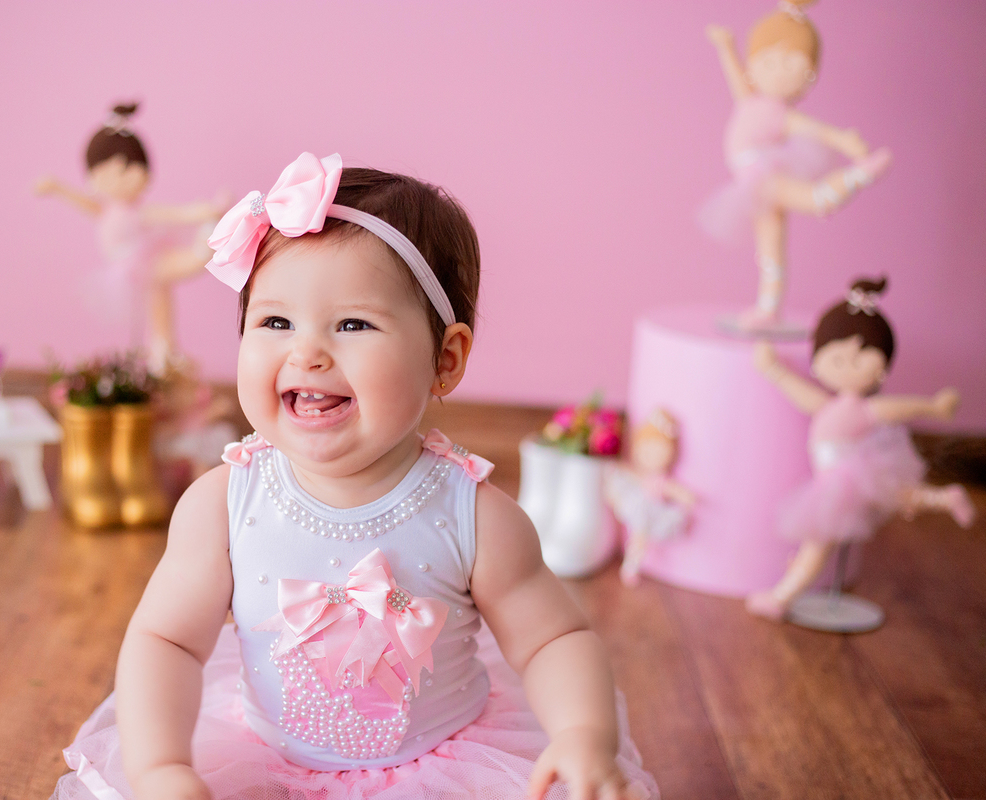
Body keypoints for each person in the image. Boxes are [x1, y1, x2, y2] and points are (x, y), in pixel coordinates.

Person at [51, 153, 658, 800]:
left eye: (353, 324)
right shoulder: (224, 504)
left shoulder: (474, 515)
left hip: (443, 763)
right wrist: (161, 769)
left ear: (444, 361)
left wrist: (583, 733)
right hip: (260, 756)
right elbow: (165, 641)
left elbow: (554, 639)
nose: (307, 352)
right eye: (276, 321)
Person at [747, 277, 975, 620]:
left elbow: (898, 407)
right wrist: (771, 367)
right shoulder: (829, 405)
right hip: (849, 474)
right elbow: (797, 391)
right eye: (836, 357)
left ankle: (781, 597)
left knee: (818, 543)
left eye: (859, 357)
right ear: (818, 360)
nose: (847, 365)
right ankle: (945, 498)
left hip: (841, 482)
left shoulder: (861, 410)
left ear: (881, 369)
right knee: (898, 496)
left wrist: (933, 408)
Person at [701, 0, 892, 330]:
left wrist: (845, 142)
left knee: (815, 200)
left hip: (763, 178)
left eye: (791, 63)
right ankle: (768, 308)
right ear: (754, 64)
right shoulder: (749, 99)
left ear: (809, 76)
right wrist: (726, 47)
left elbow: (818, 130)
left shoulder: (781, 115)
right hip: (752, 185)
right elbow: (734, 74)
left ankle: (859, 176)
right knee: (770, 248)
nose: (779, 71)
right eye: (770, 60)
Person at [34, 103, 224, 375]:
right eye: (122, 170)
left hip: (144, 260)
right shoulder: (108, 210)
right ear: (97, 176)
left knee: (160, 299)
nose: (135, 176)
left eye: (137, 168)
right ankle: (205, 246)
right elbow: (84, 202)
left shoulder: (137, 211)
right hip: (134, 267)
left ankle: (163, 350)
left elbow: (174, 213)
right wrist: (56, 188)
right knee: (160, 293)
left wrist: (200, 210)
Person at [604, 409, 696, 588]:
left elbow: (674, 490)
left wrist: (684, 495)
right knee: (638, 535)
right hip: (638, 507)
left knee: (640, 536)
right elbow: (623, 474)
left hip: (651, 511)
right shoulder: (639, 475)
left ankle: (632, 565)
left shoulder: (660, 481)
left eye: (658, 450)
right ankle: (631, 563)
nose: (651, 455)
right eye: (647, 448)